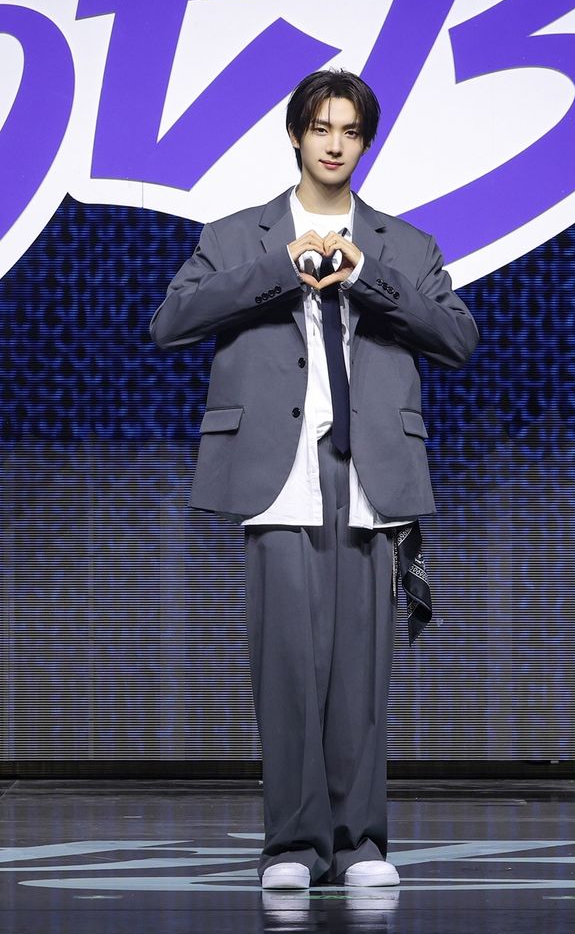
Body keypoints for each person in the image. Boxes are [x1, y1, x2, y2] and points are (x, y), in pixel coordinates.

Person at [150, 69, 479, 890]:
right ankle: (293, 846)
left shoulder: (405, 245)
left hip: (371, 472)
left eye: (350, 131)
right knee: (289, 667)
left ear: (365, 142)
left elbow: (457, 339)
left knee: (362, 672)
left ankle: (359, 843)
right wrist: (278, 267)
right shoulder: (239, 236)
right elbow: (171, 323)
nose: (335, 144)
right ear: (297, 134)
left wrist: (368, 276)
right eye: (321, 128)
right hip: (281, 470)